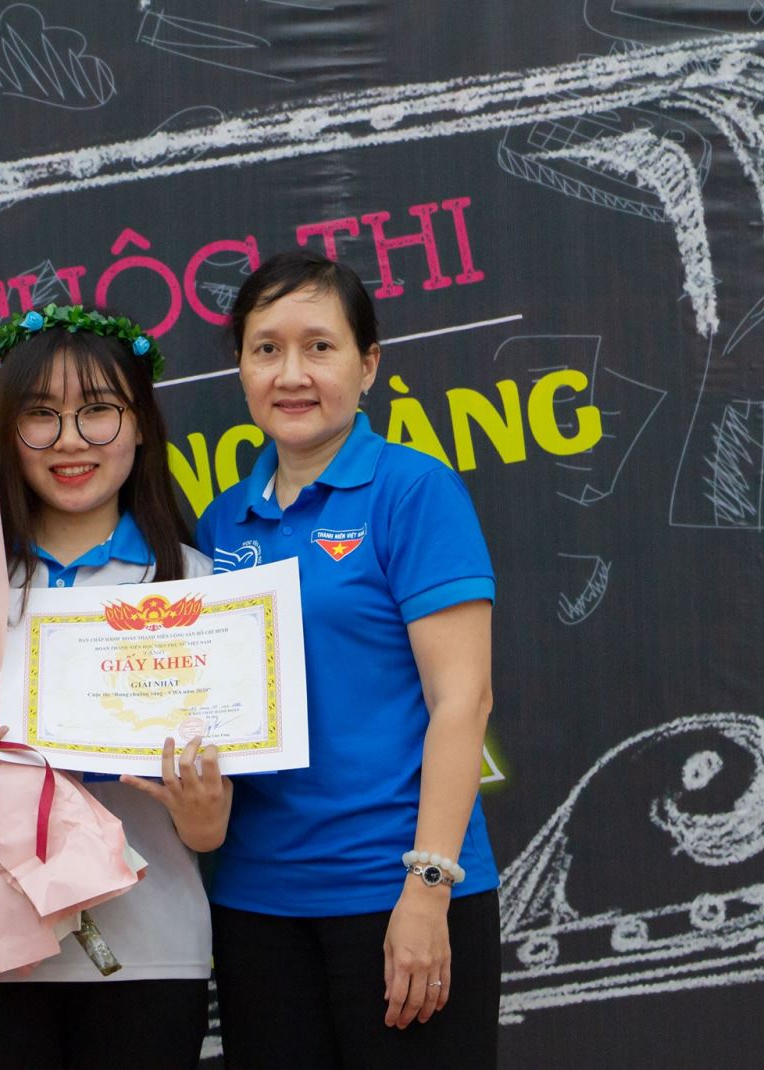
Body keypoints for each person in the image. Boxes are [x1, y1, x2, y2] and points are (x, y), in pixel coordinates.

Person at [0, 306, 231, 1070]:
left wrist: (204, 818)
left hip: (147, 955)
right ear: (8, 434)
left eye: (98, 411)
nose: (70, 440)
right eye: (41, 415)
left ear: (141, 425)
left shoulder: (202, 590)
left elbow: (210, 827)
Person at [196, 249, 501, 1067]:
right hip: (258, 904)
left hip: (399, 890)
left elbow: (463, 700)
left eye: (319, 347)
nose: (291, 374)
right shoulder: (219, 525)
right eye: (266, 349)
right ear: (241, 368)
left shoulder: (414, 491)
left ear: (368, 366)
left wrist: (427, 888)